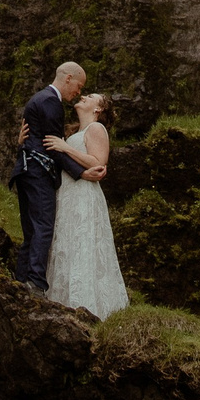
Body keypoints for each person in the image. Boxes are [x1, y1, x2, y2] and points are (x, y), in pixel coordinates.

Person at [41, 91, 130, 317]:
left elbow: (99, 163)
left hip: (84, 194)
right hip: (68, 193)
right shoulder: (75, 132)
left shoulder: (96, 128)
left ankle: (87, 306)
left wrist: (65, 148)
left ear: (98, 109)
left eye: (90, 97)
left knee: (83, 242)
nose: (83, 97)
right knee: (66, 243)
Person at [9, 62, 94, 290]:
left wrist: (21, 145)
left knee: (31, 230)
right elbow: (53, 146)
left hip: (26, 170)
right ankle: (36, 282)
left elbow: (35, 139)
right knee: (43, 226)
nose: (78, 92)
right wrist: (81, 172)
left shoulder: (40, 98)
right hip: (38, 172)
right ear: (68, 78)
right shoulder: (50, 101)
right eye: (79, 86)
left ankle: (20, 281)